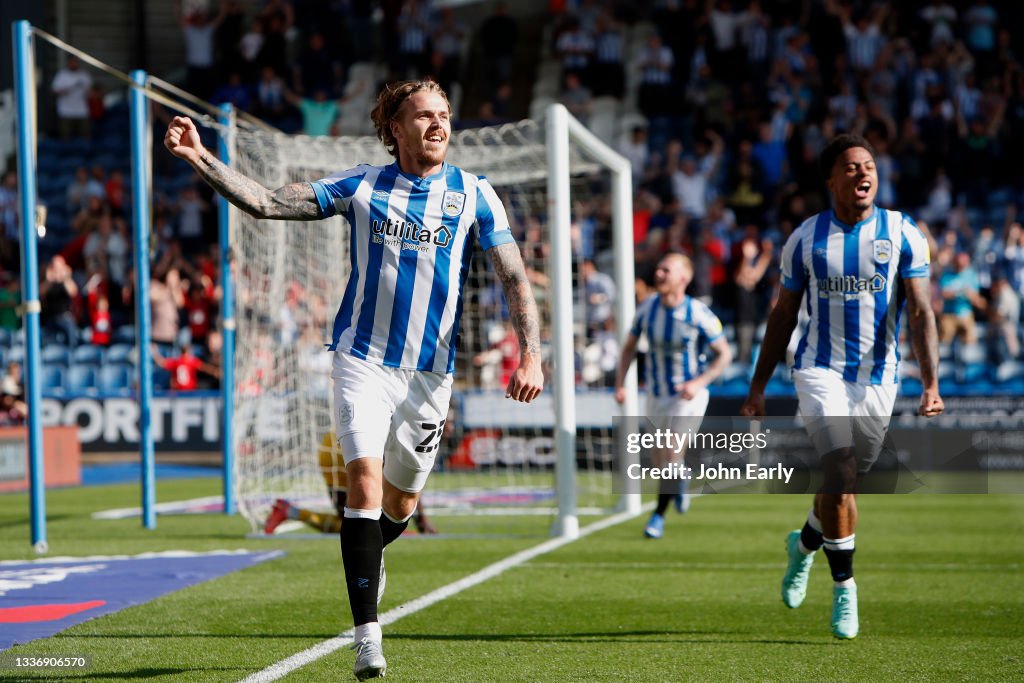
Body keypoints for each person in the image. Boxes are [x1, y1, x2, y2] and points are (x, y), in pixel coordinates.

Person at [164, 78, 543, 681]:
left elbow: (515, 278)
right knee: (362, 485)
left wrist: (532, 354)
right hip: (360, 359)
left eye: (443, 115)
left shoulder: (476, 194)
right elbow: (267, 202)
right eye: (423, 116)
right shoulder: (364, 185)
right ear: (395, 129)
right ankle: (369, 636)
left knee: (401, 502)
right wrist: (200, 156)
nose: (438, 125)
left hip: (430, 373)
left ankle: (370, 553)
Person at [740, 134, 944, 640]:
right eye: (851, 167)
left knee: (843, 485)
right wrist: (758, 385)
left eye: (869, 166)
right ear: (831, 180)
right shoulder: (806, 238)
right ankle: (845, 590)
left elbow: (920, 311)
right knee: (841, 467)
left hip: (880, 378)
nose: (862, 174)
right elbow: (783, 315)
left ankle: (804, 545)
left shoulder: (902, 232)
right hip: (819, 370)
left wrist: (932, 382)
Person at [613, 253, 732, 539]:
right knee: (661, 464)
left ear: (684, 278)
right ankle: (679, 479)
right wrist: (620, 383)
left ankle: (657, 517)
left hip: (687, 394)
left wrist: (699, 382)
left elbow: (724, 354)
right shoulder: (647, 309)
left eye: (667, 269)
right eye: (658, 269)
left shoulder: (699, 313)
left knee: (670, 450)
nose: (660, 274)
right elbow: (628, 347)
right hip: (656, 394)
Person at [264, 432, 438, 535]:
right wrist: (422, 523)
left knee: (351, 522)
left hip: (334, 444)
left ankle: (289, 511)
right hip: (362, 448)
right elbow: (405, 485)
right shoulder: (412, 424)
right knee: (359, 525)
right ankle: (390, 530)